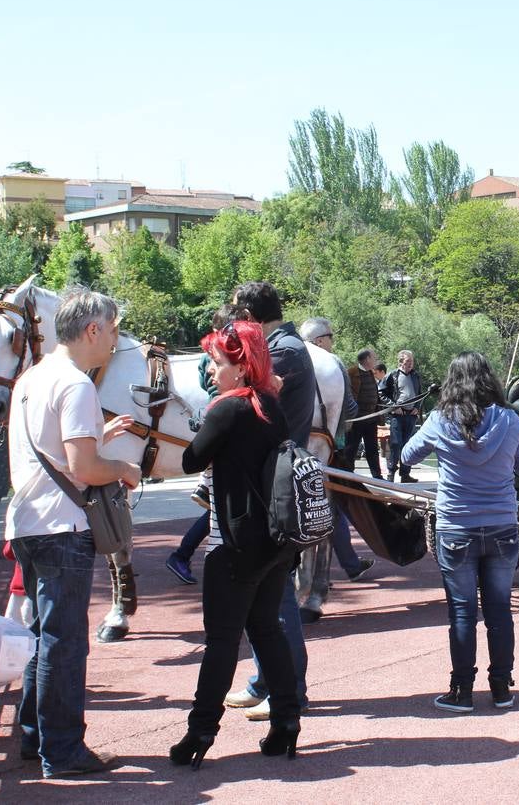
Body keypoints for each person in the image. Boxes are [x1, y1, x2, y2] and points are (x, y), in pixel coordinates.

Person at [6, 288, 140, 778]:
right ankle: (62, 751)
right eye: (113, 329)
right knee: (65, 642)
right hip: (62, 525)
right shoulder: (78, 384)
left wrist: (97, 442)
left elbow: (46, 450)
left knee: (45, 636)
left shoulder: (30, 378)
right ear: (92, 330)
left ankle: (34, 736)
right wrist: (124, 467)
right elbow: (85, 467)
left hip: (28, 520)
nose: (114, 339)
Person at [172, 320, 302, 768]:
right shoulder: (271, 405)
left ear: (241, 368)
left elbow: (191, 459)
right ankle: (287, 721)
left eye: (218, 361)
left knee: (222, 641)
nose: (212, 370)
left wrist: (204, 421)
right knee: (267, 632)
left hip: (233, 543)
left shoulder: (227, 409)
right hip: (273, 544)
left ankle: (200, 730)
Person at [400, 352, 519, 712]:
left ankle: (461, 690)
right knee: (499, 611)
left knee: (462, 612)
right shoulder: (509, 420)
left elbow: (407, 455)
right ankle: (501, 687)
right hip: (502, 526)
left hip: (456, 526)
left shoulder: (439, 419)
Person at [222, 281, 313, 721]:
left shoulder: (286, 351)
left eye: (238, 317)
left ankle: (288, 688)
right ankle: (267, 682)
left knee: (277, 597)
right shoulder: (283, 346)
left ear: (251, 316)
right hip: (266, 481)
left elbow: (245, 392)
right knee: (265, 595)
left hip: (276, 486)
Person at [295, 317, 369, 623]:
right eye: (329, 337)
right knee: (329, 508)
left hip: (318, 449)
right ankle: (337, 572)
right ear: (320, 340)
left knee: (327, 510)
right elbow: (350, 410)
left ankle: (326, 576)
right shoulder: (331, 363)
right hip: (332, 449)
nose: (332, 343)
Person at [168, 303, 243, 586]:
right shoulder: (219, 359)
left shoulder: (209, 359)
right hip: (221, 415)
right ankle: (184, 554)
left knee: (217, 506)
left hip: (216, 414)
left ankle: (183, 554)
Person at [380, 350, 424, 481]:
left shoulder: (416, 376)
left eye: (412, 361)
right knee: (395, 443)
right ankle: (391, 473)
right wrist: (394, 406)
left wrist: (417, 407)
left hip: (411, 416)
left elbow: (420, 394)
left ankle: (405, 474)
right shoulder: (392, 375)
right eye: (408, 361)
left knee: (408, 445)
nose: (411, 364)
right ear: (400, 362)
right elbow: (381, 393)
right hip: (397, 416)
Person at [345, 348, 385, 479]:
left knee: (372, 449)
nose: (376, 360)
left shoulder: (371, 373)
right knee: (351, 449)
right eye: (374, 357)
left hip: (371, 419)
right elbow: (347, 396)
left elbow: (376, 395)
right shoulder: (351, 373)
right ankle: (348, 476)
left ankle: (377, 477)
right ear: (367, 359)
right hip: (356, 420)